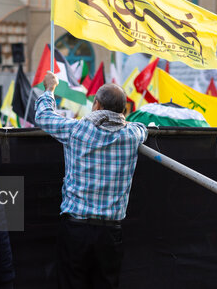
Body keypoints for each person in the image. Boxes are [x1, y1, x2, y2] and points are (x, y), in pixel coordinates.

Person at [35, 71, 147, 289]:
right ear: (123, 110)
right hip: (110, 235)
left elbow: (43, 116)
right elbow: (142, 129)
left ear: (95, 105)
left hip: (76, 231)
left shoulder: (76, 130)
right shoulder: (133, 135)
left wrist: (50, 89)